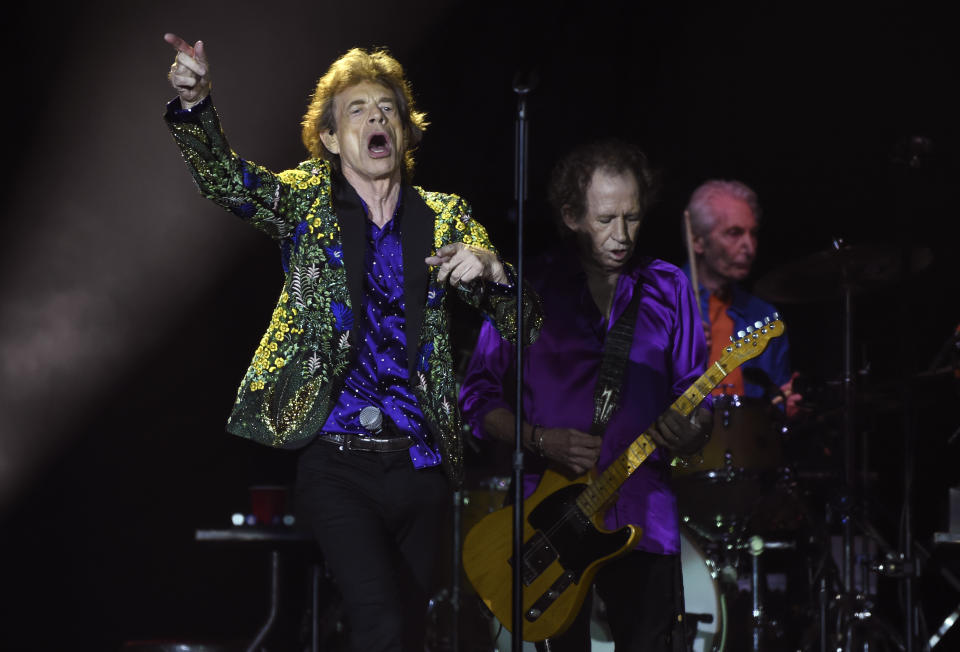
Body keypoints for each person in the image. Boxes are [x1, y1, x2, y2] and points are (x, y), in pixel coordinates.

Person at [162, 34, 541, 652]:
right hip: (338, 463)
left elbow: (525, 325)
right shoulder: (308, 202)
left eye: (387, 107)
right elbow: (228, 183)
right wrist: (197, 104)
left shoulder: (445, 216)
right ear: (333, 138)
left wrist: (495, 270)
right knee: (377, 621)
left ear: (408, 130)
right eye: (358, 110)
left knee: (410, 631)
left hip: (421, 461)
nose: (376, 118)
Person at [460, 139, 712, 651]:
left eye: (633, 217)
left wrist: (694, 428)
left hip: (643, 510)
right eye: (605, 220)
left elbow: (695, 391)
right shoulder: (525, 288)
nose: (622, 236)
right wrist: (539, 439)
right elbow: (476, 399)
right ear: (572, 216)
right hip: (548, 517)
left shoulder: (669, 286)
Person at [682, 180, 800, 416]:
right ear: (697, 241)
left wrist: (785, 405)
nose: (749, 246)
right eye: (734, 233)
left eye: (753, 233)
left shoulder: (765, 317)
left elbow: (775, 408)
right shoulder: (656, 305)